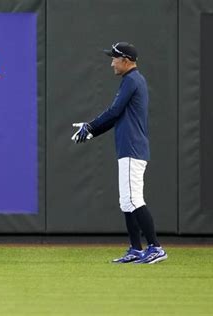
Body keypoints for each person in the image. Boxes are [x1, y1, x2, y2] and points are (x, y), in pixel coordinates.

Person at [71, 42, 167, 264]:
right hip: (128, 148)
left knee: (134, 199)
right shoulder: (131, 80)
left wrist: (91, 127)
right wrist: (90, 131)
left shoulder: (132, 80)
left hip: (133, 149)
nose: (111, 62)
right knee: (126, 201)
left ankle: (156, 247)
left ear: (126, 60)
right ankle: (135, 248)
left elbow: (113, 112)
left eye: (114, 58)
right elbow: (116, 117)